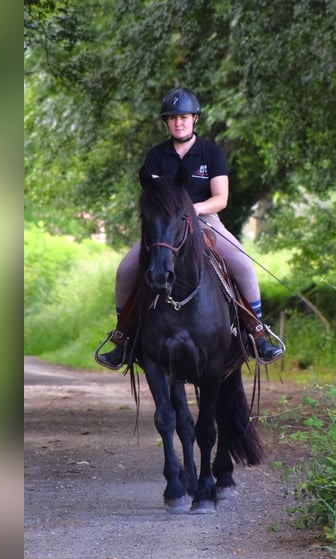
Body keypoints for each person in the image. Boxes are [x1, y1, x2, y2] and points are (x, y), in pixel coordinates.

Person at [96, 87, 283, 369]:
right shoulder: (156, 156)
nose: (178, 122)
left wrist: (193, 209)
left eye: (183, 117)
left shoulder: (210, 152)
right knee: (125, 270)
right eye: (172, 118)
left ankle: (258, 334)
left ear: (195, 119)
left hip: (206, 220)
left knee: (242, 264)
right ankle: (122, 339)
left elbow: (221, 199)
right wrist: (174, 214)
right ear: (167, 122)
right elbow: (156, 196)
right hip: (166, 228)